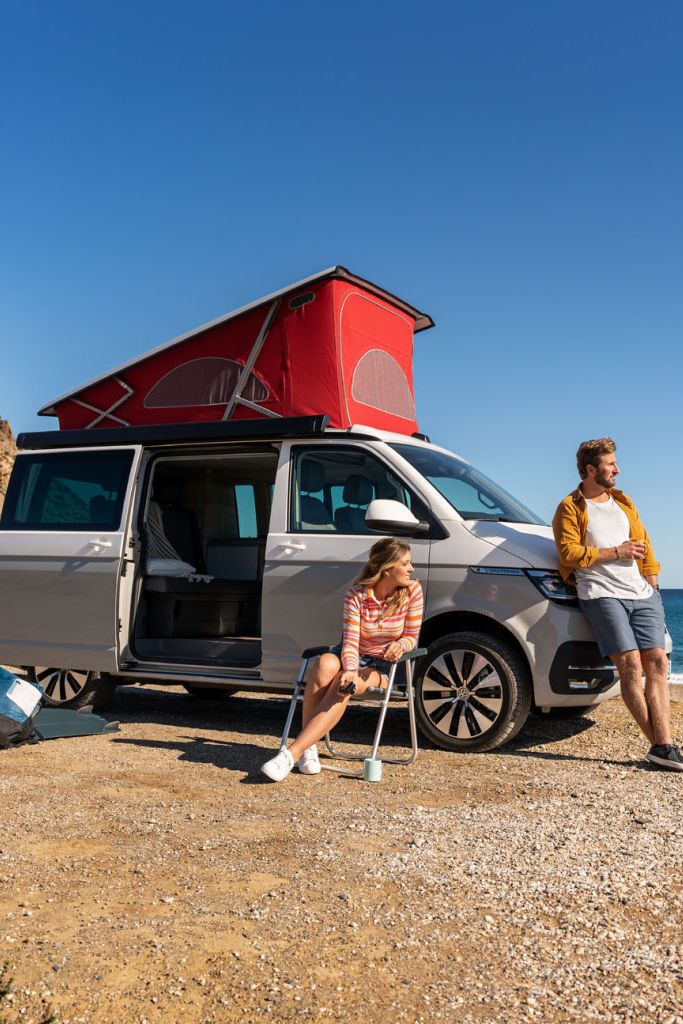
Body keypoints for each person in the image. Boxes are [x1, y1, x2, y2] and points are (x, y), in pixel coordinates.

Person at [552, 437, 681, 771]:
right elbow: (568, 553)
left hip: (640, 592)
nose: (617, 470)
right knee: (631, 666)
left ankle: (663, 745)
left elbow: (645, 546)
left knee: (657, 662)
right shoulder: (570, 507)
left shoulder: (624, 502)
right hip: (601, 593)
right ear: (590, 470)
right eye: (611, 464)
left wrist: (653, 586)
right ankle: (662, 745)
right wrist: (616, 552)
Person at [261, 537, 424, 782]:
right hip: (351, 654)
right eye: (405, 563)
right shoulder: (356, 595)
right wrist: (350, 668)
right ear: (387, 569)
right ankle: (309, 748)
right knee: (324, 664)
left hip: (382, 665)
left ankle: (291, 754)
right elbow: (350, 641)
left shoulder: (413, 591)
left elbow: (411, 636)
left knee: (343, 683)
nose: (411, 568)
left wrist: (400, 645)